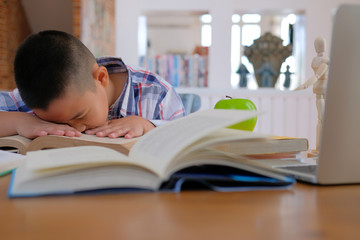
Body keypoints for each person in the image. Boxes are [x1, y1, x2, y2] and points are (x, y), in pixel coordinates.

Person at [0, 30, 186, 139]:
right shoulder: (38, 91)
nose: (76, 129)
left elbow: (189, 139)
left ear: (101, 78)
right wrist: (20, 121)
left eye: (80, 115)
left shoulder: (156, 94)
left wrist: (148, 126)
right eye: (56, 123)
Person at [295, 37, 329, 153]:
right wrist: (304, 85)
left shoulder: (317, 60)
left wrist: (304, 85)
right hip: (321, 91)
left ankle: (321, 148)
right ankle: (320, 149)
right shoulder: (324, 61)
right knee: (322, 119)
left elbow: (317, 76)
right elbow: (317, 76)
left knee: (321, 119)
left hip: (320, 91)